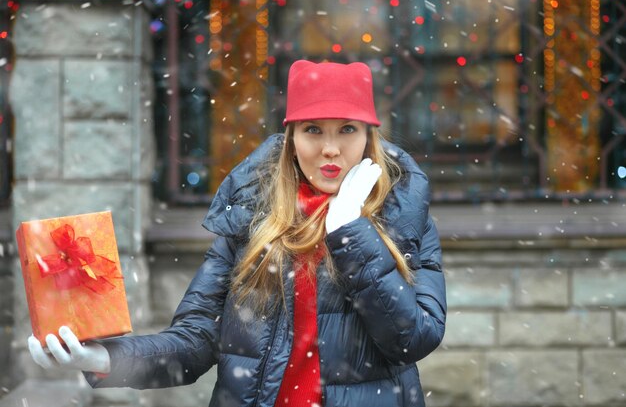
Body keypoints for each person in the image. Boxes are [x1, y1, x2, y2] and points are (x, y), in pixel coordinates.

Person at [28, 59, 447, 407]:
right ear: (291, 138)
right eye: (313, 129)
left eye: (347, 129)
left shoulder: (403, 214)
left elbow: (412, 340)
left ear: (370, 136)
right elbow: (196, 340)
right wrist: (102, 357)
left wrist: (351, 232)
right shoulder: (251, 216)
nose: (331, 149)